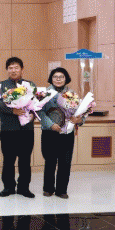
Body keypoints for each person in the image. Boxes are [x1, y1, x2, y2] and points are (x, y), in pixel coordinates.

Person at [37, 68, 84, 199]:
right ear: (51, 79)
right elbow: (40, 112)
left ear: (66, 78)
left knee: (65, 161)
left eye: (61, 77)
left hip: (67, 132)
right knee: (50, 160)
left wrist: (79, 120)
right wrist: (51, 125)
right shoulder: (44, 93)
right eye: (55, 76)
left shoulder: (72, 93)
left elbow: (81, 111)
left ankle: (62, 190)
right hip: (49, 131)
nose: (58, 79)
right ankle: (48, 189)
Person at [0, 57, 36, 198]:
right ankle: (8, 187)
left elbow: (37, 102)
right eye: (10, 68)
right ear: (7, 70)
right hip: (8, 129)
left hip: (27, 129)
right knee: (8, 160)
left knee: (25, 160)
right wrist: (12, 110)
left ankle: (24, 188)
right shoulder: (1, 86)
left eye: (16, 67)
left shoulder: (30, 85)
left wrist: (33, 114)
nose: (13, 70)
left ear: (22, 69)